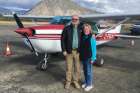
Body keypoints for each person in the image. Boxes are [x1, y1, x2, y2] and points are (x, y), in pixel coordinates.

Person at [61, 15, 83, 89]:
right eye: (73, 19)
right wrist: (64, 50)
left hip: (77, 52)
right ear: (71, 20)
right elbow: (62, 40)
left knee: (77, 68)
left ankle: (75, 81)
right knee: (69, 68)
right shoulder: (66, 28)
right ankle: (68, 82)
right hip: (69, 52)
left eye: (76, 19)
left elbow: (87, 33)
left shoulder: (81, 29)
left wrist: (92, 34)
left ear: (78, 20)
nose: (74, 20)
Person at [80, 23, 96, 92]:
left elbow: (94, 48)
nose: (86, 30)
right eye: (84, 29)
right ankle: (86, 82)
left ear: (90, 30)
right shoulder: (82, 36)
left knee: (88, 71)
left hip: (89, 57)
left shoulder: (92, 37)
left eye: (87, 29)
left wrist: (93, 58)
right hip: (83, 56)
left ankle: (90, 85)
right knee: (85, 71)